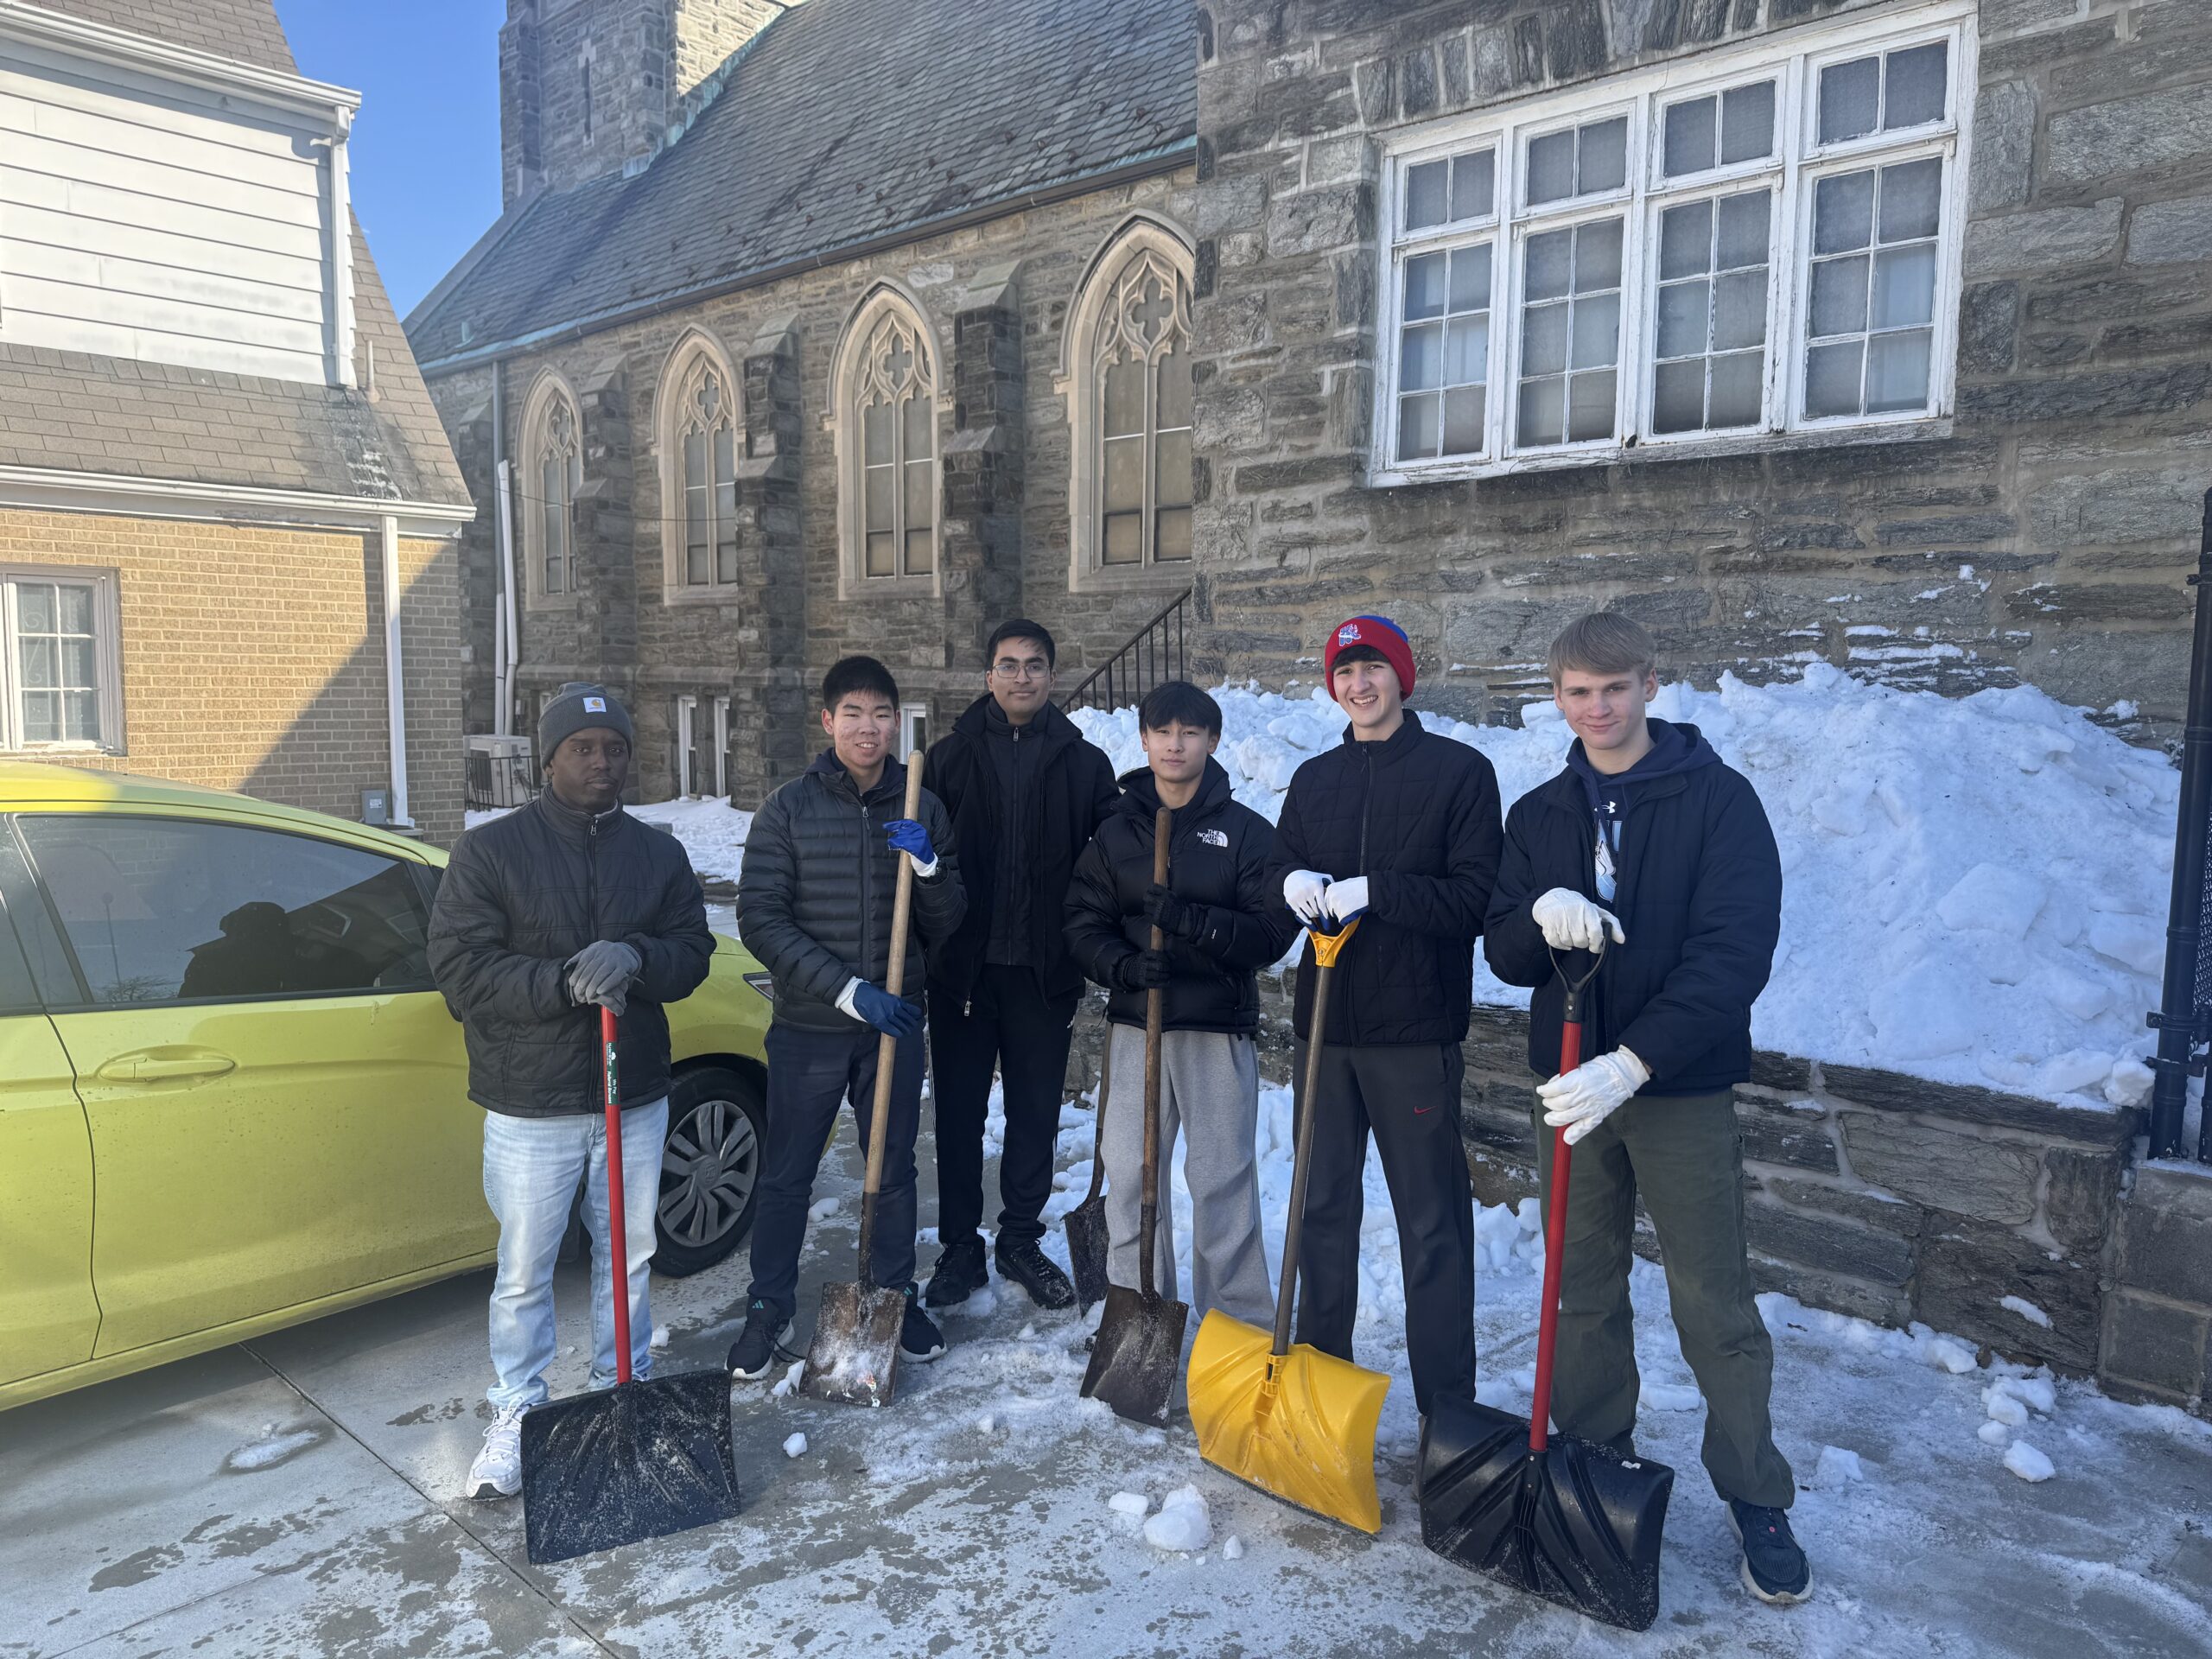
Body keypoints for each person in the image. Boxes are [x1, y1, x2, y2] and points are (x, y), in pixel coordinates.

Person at [1481, 613, 1806, 1606]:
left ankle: (1755, 1495)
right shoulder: (1540, 813)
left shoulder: (1717, 802)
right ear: (1557, 698)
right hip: (1569, 1085)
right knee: (1580, 1288)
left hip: (1674, 1087)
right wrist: (1539, 918)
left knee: (1713, 1298)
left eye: (1613, 688)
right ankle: (1592, 1461)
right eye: (1577, 692)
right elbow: (1501, 950)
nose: (1597, 708)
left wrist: (1638, 1059)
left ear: (1651, 686)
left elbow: (1734, 953)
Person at [428, 683, 715, 1502]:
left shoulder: (656, 853)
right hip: (532, 1105)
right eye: (583, 748)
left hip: (636, 1096)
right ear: (548, 758)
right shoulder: (492, 853)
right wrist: (562, 980)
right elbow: (460, 968)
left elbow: (690, 949)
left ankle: (623, 1388)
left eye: (615, 748)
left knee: (630, 1261)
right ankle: (518, 1409)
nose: (601, 762)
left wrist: (636, 958)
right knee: (524, 1269)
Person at [1266, 616, 1501, 1418]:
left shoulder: (1459, 773)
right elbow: (1280, 867)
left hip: (1414, 1033)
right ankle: (1321, 1384)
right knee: (1321, 1207)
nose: (1359, 684)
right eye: (1344, 671)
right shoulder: (1314, 779)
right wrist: (1291, 880)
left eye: (1373, 668)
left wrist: (1379, 889)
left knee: (1431, 1221)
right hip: (1325, 1029)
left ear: (1403, 677)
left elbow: (1474, 898)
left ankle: (1449, 1410)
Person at [727, 656, 965, 1380]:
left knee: (890, 1171)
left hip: (891, 1029)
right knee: (787, 1175)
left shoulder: (921, 803)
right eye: (854, 715)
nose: (869, 728)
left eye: (883, 715)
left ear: (900, 723)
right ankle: (769, 1304)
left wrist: (929, 871)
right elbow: (760, 919)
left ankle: (892, 1294)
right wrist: (846, 991)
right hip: (809, 1028)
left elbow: (949, 921)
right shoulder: (788, 809)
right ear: (828, 721)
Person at [1063, 681, 1299, 1326]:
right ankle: (1138, 1312)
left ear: (1212, 742)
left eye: (1190, 733)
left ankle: (1239, 1327)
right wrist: (1123, 965)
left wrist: (1194, 922)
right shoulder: (1116, 834)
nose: (1175, 744)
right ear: (1143, 740)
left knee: (1222, 1179)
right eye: (1163, 732)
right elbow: (1081, 923)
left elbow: (1272, 934)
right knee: (1132, 1176)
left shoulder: (1248, 834)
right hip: (1137, 1025)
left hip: (1214, 1030)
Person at [922, 620, 1118, 1311]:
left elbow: (1115, 853)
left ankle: (1019, 1240)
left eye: (1035, 665)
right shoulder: (945, 759)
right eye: (1008, 665)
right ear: (989, 677)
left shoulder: (1083, 763)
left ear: (1052, 676)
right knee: (959, 1116)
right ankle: (958, 1248)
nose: (1022, 677)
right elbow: (922, 867)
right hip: (961, 974)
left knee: (1035, 1112)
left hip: (1044, 972)